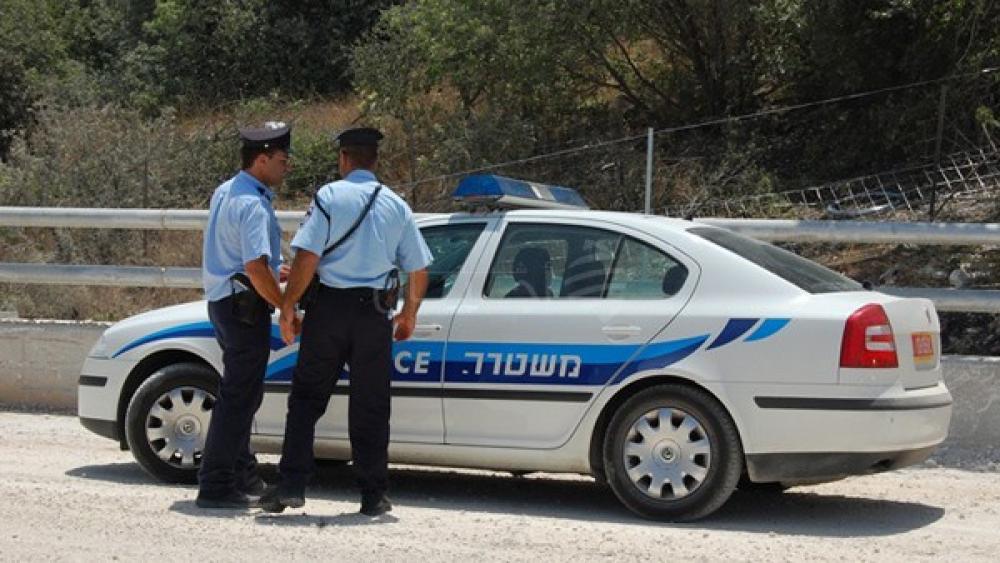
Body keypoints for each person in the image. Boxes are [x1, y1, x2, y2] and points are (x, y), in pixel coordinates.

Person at [261, 127, 432, 516]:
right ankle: (373, 495)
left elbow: (307, 258)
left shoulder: (329, 196)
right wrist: (409, 314)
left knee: (306, 400)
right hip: (375, 316)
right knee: (371, 404)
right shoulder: (397, 205)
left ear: (343, 159)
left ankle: (291, 486)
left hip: (329, 313)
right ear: (375, 160)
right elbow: (418, 269)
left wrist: (288, 307)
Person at [196, 122, 291, 509]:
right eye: (282, 159)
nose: (287, 166)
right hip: (244, 308)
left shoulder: (228, 190)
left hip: (224, 302)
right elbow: (253, 267)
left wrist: (275, 271)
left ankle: (242, 474)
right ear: (262, 159)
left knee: (243, 394)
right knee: (238, 398)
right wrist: (285, 305)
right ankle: (216, 484)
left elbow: (242, 258)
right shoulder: (253, 203)